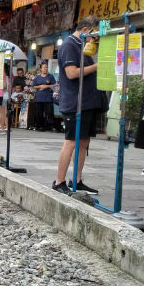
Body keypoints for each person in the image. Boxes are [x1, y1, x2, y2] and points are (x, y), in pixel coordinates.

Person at [52, 15, 101, 195]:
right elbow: (71, 73)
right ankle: (59, 181)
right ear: (86, 30)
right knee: (71, 142)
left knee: (83, 142)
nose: (94, 40)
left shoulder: (83, 46)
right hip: (74, 102)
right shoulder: (69, 45)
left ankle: (77, 179)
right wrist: (97, 66)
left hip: (86, 101)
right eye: (94, 35)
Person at [31, 62, 56, 132]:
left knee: (49, 113)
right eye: (44, 67)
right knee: (38, 113)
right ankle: (40, 126)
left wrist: (46, 86)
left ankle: (50, 126)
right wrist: (40, 86)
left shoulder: (50, 76)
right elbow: (33, 86)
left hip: (48, 98)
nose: (46, 68)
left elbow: (54, 85)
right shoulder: (37, 77)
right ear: (41, 69)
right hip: (39, 98)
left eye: (46, 67)